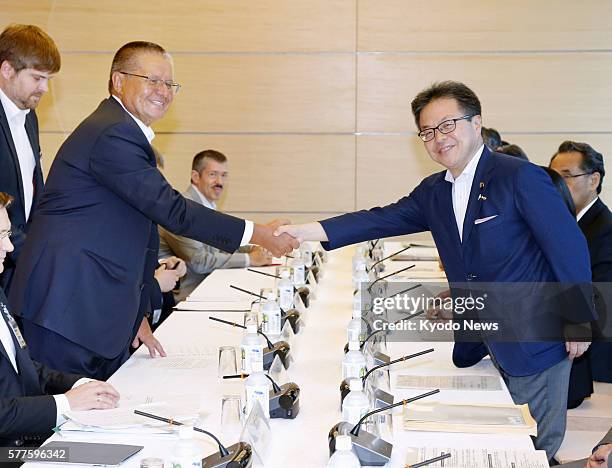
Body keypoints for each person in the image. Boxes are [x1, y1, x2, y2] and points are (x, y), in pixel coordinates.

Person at [276, 81, 595, 461]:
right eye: (427, 131)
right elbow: (378, 220)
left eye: (448, 125)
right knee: (499, 439)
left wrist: (578, 319)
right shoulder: (434, 192)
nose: (437, 138)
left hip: (536, 336)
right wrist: (306, 232)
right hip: (483, 334)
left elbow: (568, 247)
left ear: (476, 124)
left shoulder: (520, 177)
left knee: (534, 447)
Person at [9, 41, 297, 381]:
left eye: (169, 84)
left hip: (89, 309)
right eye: (152, 80)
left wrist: (136, 314)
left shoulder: (124, 131)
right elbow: (172, 210)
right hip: (66, 309)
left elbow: (139, 233)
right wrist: (257, 233)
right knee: (66, 422)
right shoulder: (112, 133)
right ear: (118, 81)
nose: (163, 91)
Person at [0, 192, 119, 448]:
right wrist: (66, 403)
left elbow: (22, 369)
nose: (9, 247)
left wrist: (80, 384)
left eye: (8, 235)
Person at [159, 149, 273, 301]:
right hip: (189, 297)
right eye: (213, 174)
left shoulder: (205, 205)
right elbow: (199, 261)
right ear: (195, 177)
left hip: (211, 286)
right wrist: (250, 259)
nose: (220, 182)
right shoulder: (182, 209)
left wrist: (252, 247)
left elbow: (220, 243)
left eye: (224, 175)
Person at [0, 24, 59, 292]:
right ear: (7, 70)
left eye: (48, 79)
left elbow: (33, 188)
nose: (45, 88)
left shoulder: (29, 117)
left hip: (21, 264)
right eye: (37, 78)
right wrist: (30, 254)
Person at [550, 141, 612, 386]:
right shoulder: (564, 224)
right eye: (553, 177)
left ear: (594, 180)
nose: (556, 186)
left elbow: (600, 297)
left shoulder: (605, 230)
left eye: (566, 177)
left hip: (593, 363)